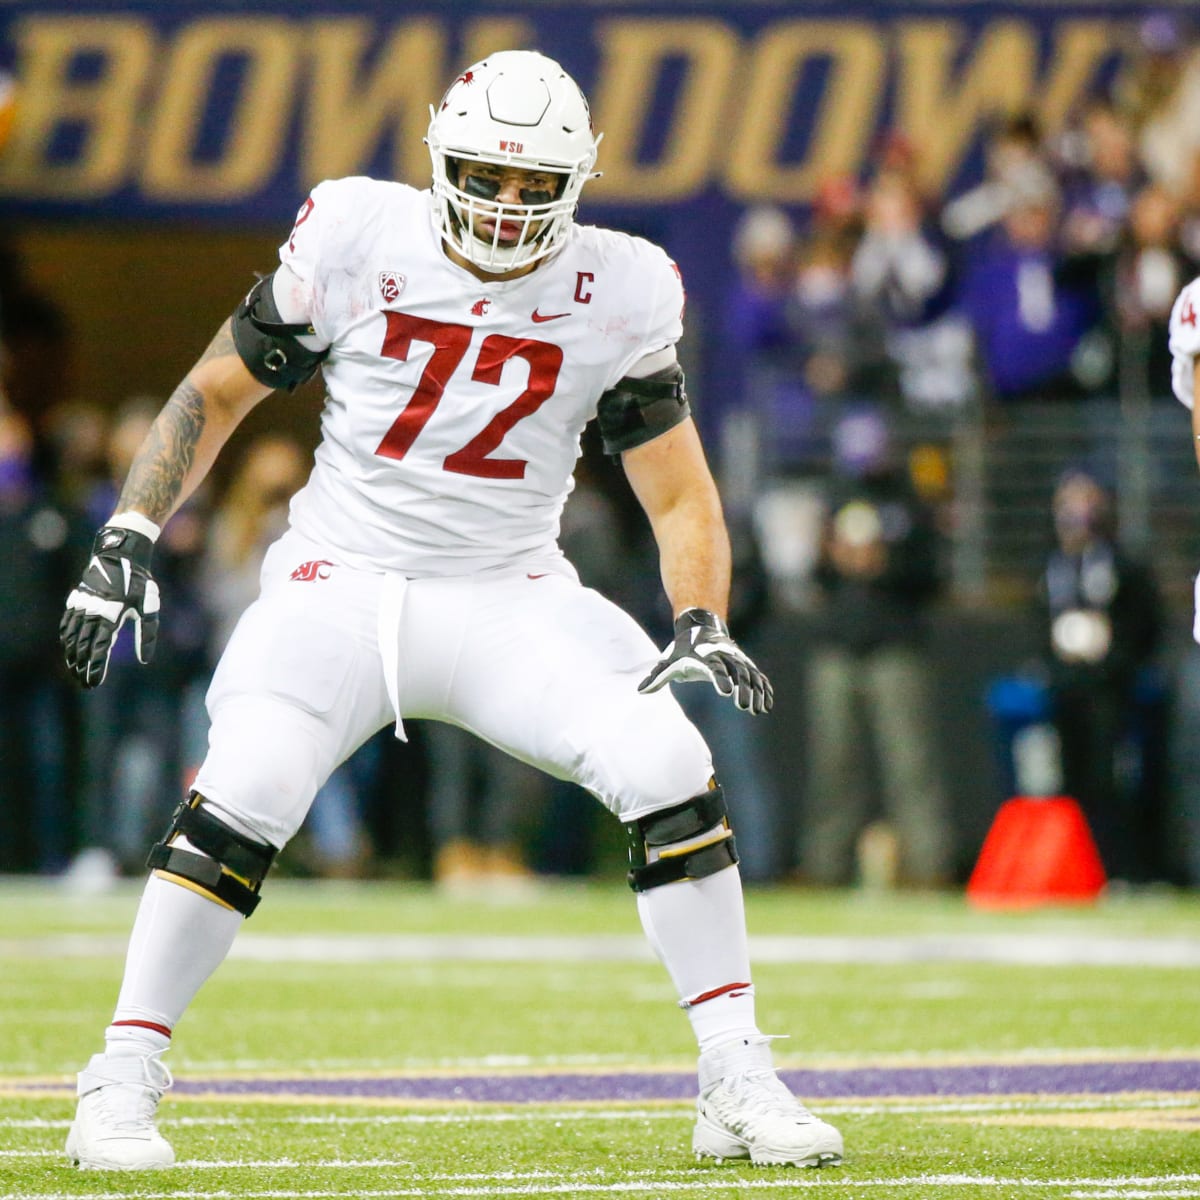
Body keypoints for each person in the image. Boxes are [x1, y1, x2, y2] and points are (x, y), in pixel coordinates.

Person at [56, 51, 842, 1172]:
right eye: (486, 173)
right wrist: (130, 529)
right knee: (250, 784)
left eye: (535, 185)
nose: (508, 204)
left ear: (578, 184)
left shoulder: (622, 287)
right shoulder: (357, 234)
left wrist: (699, 615)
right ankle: (119, 1077)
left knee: (666, 760)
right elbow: (215, 392)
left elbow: (678, 491)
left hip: (509, 595)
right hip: (341, 580)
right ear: (439, 159)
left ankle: (736, 1075)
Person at [796, 406, 954, 888]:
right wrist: (830, 556)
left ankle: (930, 867)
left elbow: (934, 576)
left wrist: (885, 564)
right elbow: (815, 578)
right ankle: (825, 867)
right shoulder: (835, 500)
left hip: (894, 648)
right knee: (832, 766)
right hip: (838, 647)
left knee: (910, 765)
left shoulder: (909, 502)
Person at [1035, 469, 1164, 882]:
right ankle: (1074, 869)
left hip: (1110, 688)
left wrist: (1113, 661)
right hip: (1066, 688)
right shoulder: (1051, 564)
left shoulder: (1121, 563)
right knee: (1068, 780)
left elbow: (1145, 624)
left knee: (1110, 778)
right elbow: (1037, 624)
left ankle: (1120, 867)